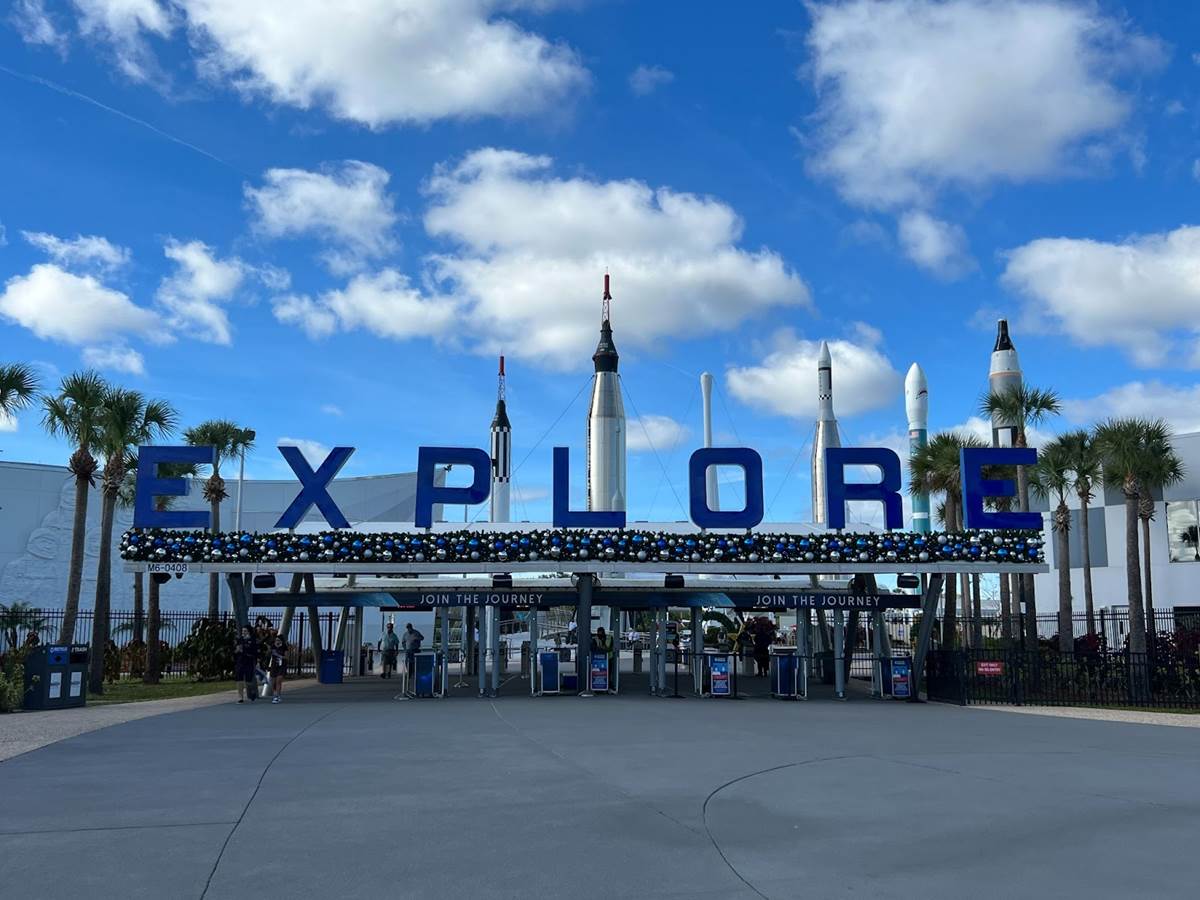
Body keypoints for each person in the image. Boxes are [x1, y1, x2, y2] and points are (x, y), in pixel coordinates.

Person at [233, 626, 258, 703]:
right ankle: (240, 697)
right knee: (239, 679)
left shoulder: (253, 641)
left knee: (248, 680)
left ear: (249, 632)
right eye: (243, 631)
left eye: (245, 631)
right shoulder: (240, 640)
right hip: (240, 661)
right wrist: (237, 650)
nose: (243, 632)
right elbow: (235, 650)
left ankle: (252, 691)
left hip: (249, 662)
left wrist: (244, 650)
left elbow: (254, 652)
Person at [268, 635, 288, 703]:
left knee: (278, 681)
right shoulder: (273, 646)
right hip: (274, 665)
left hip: (281, 666)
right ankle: (275, 694)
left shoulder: (284, 647)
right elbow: (268, 654)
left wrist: (279, 656)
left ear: (281, 641)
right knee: (273, 682)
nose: (277, 641)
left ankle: (277, 696)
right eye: (276, 640)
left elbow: (286, 657)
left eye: (279, 640)